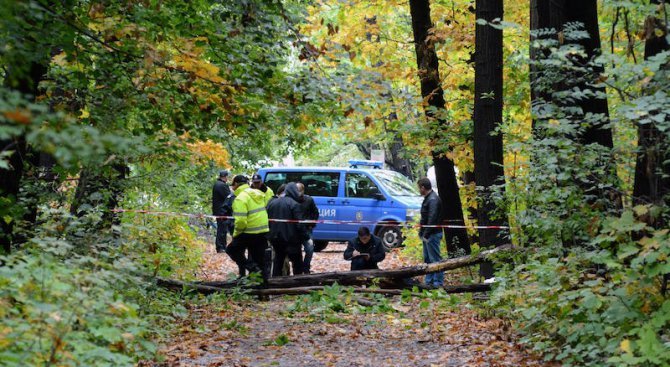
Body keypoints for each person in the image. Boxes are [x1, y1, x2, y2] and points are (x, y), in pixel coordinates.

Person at [225, 175, 270, 281]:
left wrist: (236, 233)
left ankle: (252, 268)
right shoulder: (258, 194)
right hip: (262, 232)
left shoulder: (240, 198)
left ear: (236, 186)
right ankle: (264, 290)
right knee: (260, 260)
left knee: (231, 250)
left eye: (233, 186)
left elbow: (241, 221)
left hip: (248, 232)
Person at [267, 182, 309, 276]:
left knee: (278, 262)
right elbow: (299, 224)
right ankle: (297, 284)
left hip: (275, 239)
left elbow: (267, 221)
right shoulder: (294, 204)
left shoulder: (272, 202)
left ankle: (276, 283)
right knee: (297, 264)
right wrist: (306, 237)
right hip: (292, 239)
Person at [418, 177, 444, 288]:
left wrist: (426, 233)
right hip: (427, 233)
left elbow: (432, 218)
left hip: (432, 234)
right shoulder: (428, 198)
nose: (419, 190)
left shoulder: (433, 199)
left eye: (419, 188)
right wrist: (421, 231)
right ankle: (429, 281)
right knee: (428, 259)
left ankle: (438, 282)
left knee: (435, 259)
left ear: (423, 187)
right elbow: (425, 217)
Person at [295, 182, 319, 274]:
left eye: (299, 190)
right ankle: (298, 269)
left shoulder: (309, 200)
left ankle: (306, 267)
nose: (298, 192)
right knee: (296, 251)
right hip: (295, 230)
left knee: (309, 249)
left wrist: (311, 224)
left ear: (303, 190)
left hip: (306, 230)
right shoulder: (291, 200)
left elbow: (315, 213)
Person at [211, 170, 231, 253]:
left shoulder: (217, 184)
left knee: (222, 229)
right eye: (227, 177)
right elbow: (228, 197)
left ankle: (222, 246)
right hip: (222, 211)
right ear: (225, 177)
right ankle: (220, 247)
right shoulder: (222, 185)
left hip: (219, 210)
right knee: (222, 230)